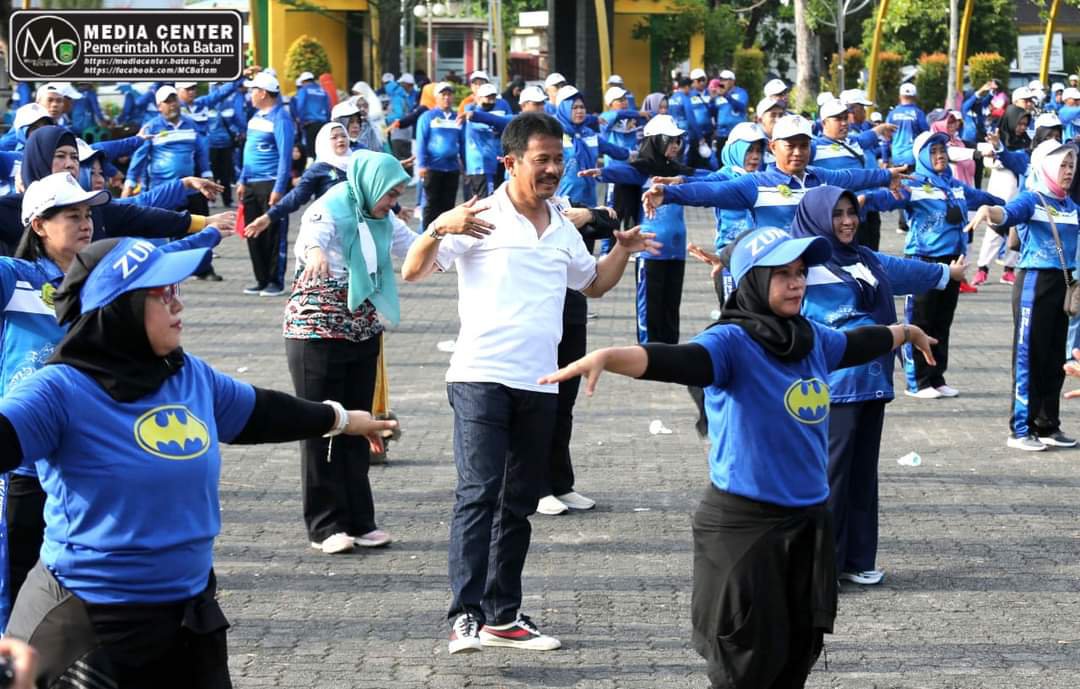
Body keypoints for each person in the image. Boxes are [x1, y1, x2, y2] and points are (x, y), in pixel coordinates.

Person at [0, 219, 395, 687]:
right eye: (162, 293)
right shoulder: (58, 391)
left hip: (187, 614)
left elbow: (262, 412)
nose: (179, 303)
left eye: (178, 289)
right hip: (87, 624)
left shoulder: (188, 375)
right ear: (118, 307)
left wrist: (343, 419)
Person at [538, 227, 936, 689]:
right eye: (782, 274)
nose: (796, 283)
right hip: (745, 526)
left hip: (808, 523)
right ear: (751, 280)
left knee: (796, 652)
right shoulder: (732, 343)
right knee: (744, 662)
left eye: (800, 273)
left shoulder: (811, 339)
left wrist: (905, 332)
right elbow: (678, 359)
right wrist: (609, 355)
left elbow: (860, 343)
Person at [401, 113, 658, 655]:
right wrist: (434, 229)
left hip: (540, 382)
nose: (553, 170)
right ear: (511, 161)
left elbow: (591, 286)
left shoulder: (563, 224)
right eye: (542, 159)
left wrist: (622, 251)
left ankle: (502, 615)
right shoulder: (477, 216)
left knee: (517, 501)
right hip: (479, 377)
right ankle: (465, 615)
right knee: (479, 493)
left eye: (558, 159)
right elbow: (414, 272)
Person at [791, 186, 963, 586]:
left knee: (862, 475)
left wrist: (945, 274)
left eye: (852, 212)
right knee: (830, 476)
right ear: (817, 217)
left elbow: (903, 269)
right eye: (837, 214)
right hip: (831, 384)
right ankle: (821, 568)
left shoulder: (864, 257)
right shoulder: (800, 262)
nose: (848, 221)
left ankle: (855, 559)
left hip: (872, 380)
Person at [284, 150, 429, 553]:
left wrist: (449, 235)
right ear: (370, 185)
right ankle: (324, 525)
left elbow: (418, 249)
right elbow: (314, 237)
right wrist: (314, 253)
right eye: (390, 194)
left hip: (362, 328)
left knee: (359, 424)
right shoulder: (331, 205)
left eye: (397, 195)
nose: (392, 203)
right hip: (317, 330)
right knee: (322, 425)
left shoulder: (383, 218)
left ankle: (359, 520)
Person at [860, 131, 1002, 398]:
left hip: (953, 264)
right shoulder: (913, 185)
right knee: (920, 322)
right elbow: (884, 199)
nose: (939, 156)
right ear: (922, 156)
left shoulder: (954, 185)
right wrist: (863, 201)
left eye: (942, 151)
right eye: (933, 151)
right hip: (922, 262)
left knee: (941, 322)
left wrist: (1010, 207)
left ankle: (936, 377)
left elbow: (984, 199)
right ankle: (917, 382)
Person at [966, 140, 1080, 451]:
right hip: (1034, 283)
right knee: (1029, 355)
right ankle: (1020, 429)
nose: (1068, 171)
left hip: (1065, 285)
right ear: (1046, 167)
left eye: (1071, 165)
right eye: (1062, 165)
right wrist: (990, 211)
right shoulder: (1032, 199)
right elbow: (1009, 213)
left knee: (1056, 356)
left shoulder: (1072, 206)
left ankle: (1047, 424)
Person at [642, 115, 906, 232]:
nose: (798, 152)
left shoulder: (821, 177)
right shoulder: (756, 184)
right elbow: (711, 191)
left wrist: (887, 176)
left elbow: (854, 177)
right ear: (774, 146)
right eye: (790, 145)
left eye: (804, 145)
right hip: (775, 279)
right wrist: (669, 193)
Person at [237, 71, 295, 297]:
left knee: (273, 234)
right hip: (251, 183)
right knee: (253, 233)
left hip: (271, 183)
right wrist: (242, 180)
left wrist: (280, 188)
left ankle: (275, 281)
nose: (251, 94)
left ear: (263, 93)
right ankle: (261, 279)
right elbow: (247, 153)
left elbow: (285, 156)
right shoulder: (255, 117)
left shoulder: (281, 119)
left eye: (254, 90)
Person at [245, 122, 352, 238]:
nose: (340, 140)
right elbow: (296, 196)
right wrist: (268, 217)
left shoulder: (357, 162)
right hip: (332, 227)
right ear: (324, 141)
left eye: (343, 136)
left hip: (357, 225)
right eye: (334, 137)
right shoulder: (318, 168)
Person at [972, 104, 1032, 287]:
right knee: (994, 232)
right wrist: (999, 152)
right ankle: (982, 268)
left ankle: (1009, 270)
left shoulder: (1027, 142)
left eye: (1025, 124)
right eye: (1019, 123)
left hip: (1018, 190)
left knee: (1016, 231)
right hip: (1000, 188)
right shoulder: (999, 139)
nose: (1022, 127)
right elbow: (990, 161)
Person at [416, 82, 464, 231]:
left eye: (449, 94)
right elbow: (421, 141)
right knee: (431, 204)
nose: (447, 98)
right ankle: (426, 236)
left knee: (448, 205)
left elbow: (462, 142)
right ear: (436, 97)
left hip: (451, 168)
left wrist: (464, 165)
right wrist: (422, 164)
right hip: (432, 167)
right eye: (443, 95)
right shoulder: (427, 116)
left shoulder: (458, 118)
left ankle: (444, 238)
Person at [886, 83, 928, 169]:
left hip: (896, 157)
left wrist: (885, 159)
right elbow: (925, 134)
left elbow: (886, 137)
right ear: (915, 97)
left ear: (900, 96)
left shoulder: (892, 114)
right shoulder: (918, 113)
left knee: (898, 181)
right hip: (913, 157)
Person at [291, 71, 331, 159]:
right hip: (323, 124)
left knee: (311, 153)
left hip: (310, 124)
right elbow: (328, 108)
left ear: (304, 82)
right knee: (322, 151)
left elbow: (300, 107)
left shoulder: (304, 90)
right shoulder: (323, 91)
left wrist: (301, 123)